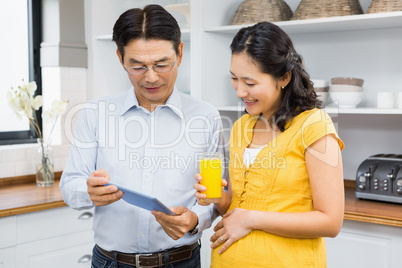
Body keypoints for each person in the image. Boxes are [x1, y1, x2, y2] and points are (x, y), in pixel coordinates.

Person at [60, 4, 225, 268]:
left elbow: (215, 193)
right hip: (110, 262)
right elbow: (70, 185)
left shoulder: (205, 117)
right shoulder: (95, 114)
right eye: (137, 66)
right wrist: (88, 191)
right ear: (120, 58)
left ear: (179, 53)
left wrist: (194, 219)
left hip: (181, 261)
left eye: (161, 64)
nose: (150, 78)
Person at [194, 21, 344, 267]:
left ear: (284, 77)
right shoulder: (243, 126)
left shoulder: (314, 126)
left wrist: (251, 219)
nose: (240, 91)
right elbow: (237, 208)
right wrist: (217, 198)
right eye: (234, 79)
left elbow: (330, 221)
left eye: (250, 83)